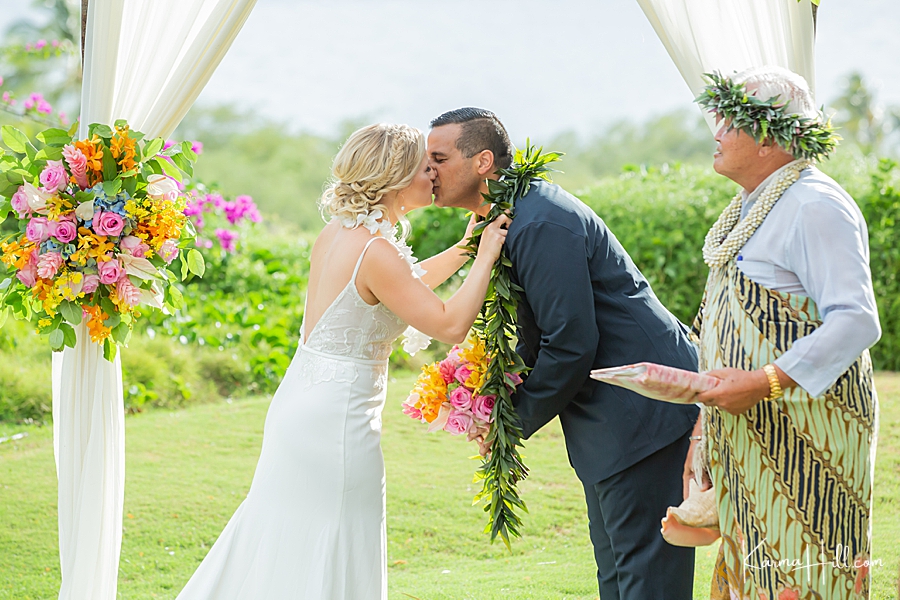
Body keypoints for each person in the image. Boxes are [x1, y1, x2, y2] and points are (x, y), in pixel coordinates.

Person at [176, 123, 510, 600]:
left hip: (302, 403)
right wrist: (489, 253)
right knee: (336, 541)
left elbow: (405, 283)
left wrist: (465, 248)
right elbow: (448, 324)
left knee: (286, 538)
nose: (434, 176)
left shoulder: (342, 232)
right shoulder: (375, 250)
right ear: (394, 177)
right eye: (424, 167)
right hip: (337, 421)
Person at [428, 107, 699, 600]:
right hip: (608, 410)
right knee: (616, 571)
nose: (428, 171)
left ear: (483, 161)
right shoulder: (510, 215)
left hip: (640, 407)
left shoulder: (539, 223)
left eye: (438, 158)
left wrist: (510, 424)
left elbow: (571, 343)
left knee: (645, 573)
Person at [688, 66, 880, 599]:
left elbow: (856, 318)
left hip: (807, 433)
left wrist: (765, 382)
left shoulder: (815, 204)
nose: (717, 132)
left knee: (808, 574)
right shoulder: (754, 205)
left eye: (731, 121)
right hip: (750, 431)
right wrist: (702, 436)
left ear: (770, 137)